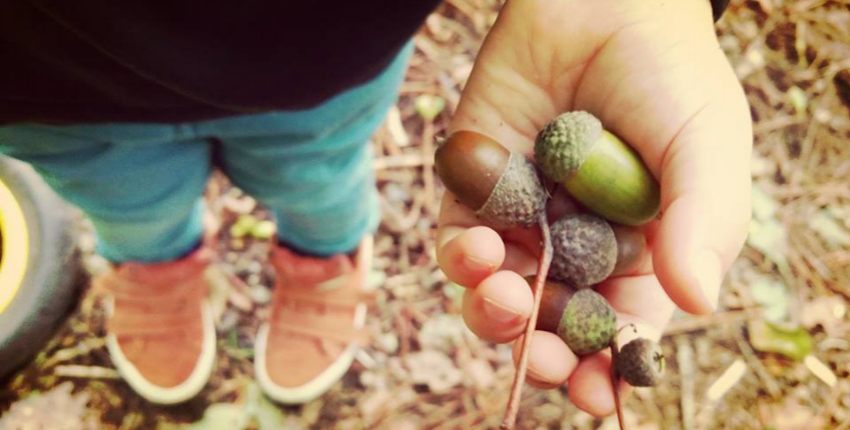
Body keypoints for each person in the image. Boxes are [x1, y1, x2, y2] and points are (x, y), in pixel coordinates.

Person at [0, 0, 750, 418]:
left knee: (317, 187)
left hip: (315, 64)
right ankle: (153, 264)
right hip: (47, 86)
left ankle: (323, 260)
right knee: (127, 207)